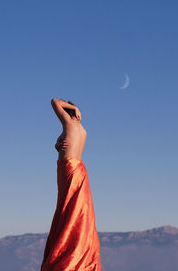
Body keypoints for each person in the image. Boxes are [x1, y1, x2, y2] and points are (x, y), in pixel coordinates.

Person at [41, 98, 102, 271]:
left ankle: (66, 256)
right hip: (76, 167)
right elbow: (69, 145)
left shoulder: (69, 121)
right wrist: (57, 145)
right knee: (70, 208)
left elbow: (54, 101)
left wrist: (73, 107)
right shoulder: (82, 130)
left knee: (67, 208)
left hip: (69, 167)